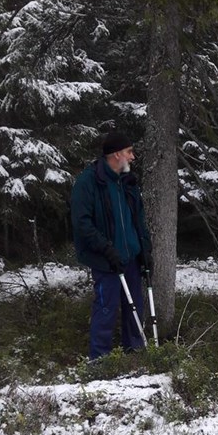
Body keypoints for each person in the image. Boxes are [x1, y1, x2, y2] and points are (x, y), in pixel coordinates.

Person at [71, 130, 152, 359]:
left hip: (132, 258)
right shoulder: (89, 182)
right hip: (106, 259)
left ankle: (135, 356)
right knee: (105, 310)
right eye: (129, 152)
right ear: (116, 154)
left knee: (135, 308)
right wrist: (105, 248)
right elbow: (81, 223)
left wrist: (145, 249)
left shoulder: (128, 182)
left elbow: (139, 218)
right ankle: (100, 361)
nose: (133, 157)